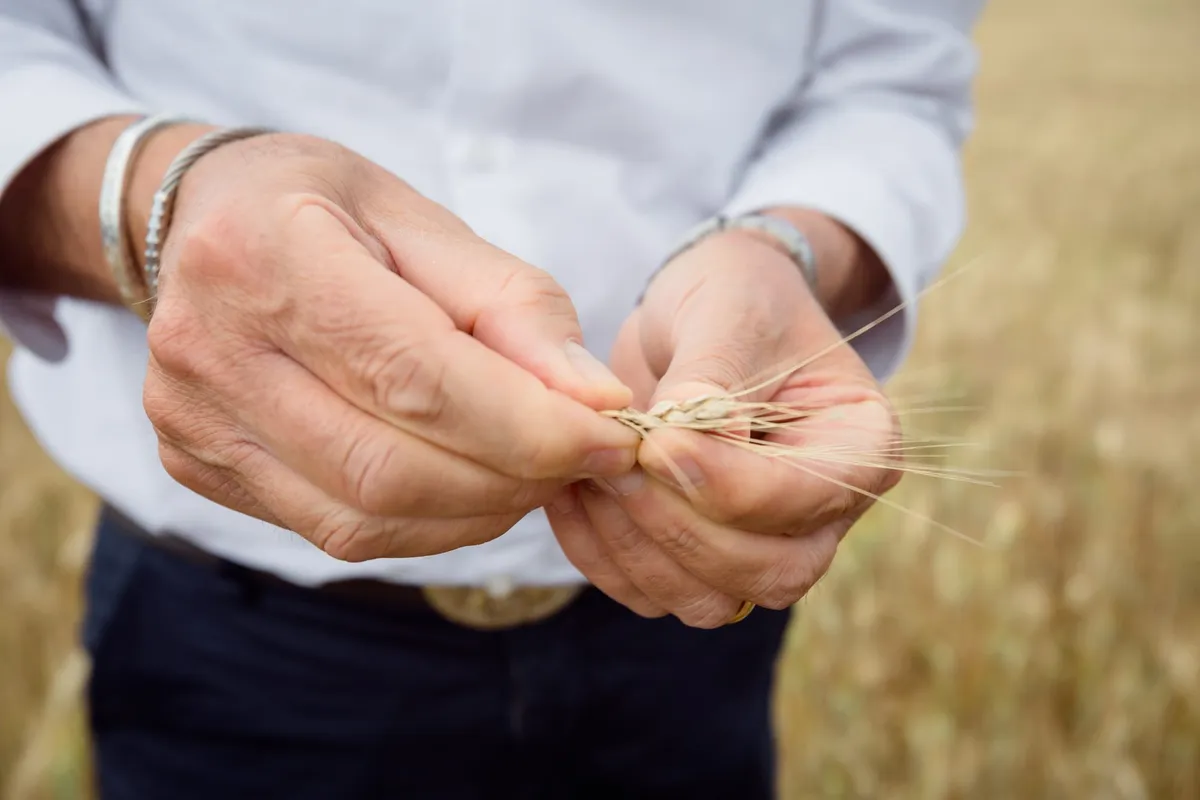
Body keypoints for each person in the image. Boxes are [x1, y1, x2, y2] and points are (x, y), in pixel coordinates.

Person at [0, 1, 984, 797]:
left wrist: (791, 250)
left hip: (692, 629)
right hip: (223, 626)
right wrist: (155, 203)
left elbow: (891, 78)